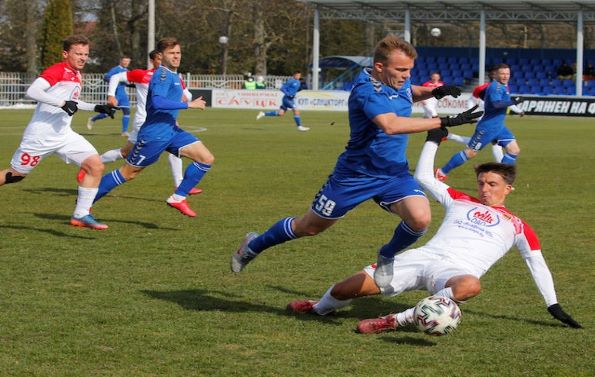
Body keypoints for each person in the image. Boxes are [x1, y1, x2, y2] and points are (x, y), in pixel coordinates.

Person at [231, 35, 481, 290]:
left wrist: (433, 91)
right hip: (355, 175)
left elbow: (408, 91)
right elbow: (391, 125)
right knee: (309, 227)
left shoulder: (395, 81)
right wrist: (444, 122)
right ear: (380, 67)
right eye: (402, 70)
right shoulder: (366, 91)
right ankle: (253, 245)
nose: (407, 75)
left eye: (410, 70)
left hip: (394, 173)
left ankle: (387, 254)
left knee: (420, 218)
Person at [286, 128, 583, 333]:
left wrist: (553, 304)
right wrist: (433, 139)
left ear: (508, 188)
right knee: (343, 290)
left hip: (454, 273)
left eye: (492, 184)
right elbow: (424, 177)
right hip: (421, 258)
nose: (484, 189)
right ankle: (318, 308)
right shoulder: (459, 200)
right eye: (481, 182)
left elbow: (537, 264)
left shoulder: (518, 225)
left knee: (471, 286)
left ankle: (394, 320)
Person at [0, 35, 117, 229]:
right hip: (40, 137)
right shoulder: (58, 70)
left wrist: (97, 107)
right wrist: (62, 104)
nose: (83, 58)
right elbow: (33, 92)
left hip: (64, 135)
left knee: (95, 166)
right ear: (66, 54)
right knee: (16, 175)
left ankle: (81, 215)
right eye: (78, 53)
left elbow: (72, 102)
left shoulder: (77, 75)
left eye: (86, 54)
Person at [92, 37, 212, 218]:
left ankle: (178, 197)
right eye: (171, 53)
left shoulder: (174, 75)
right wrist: (189, 105)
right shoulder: (162, 75)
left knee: (206, 158)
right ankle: (85, 201)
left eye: (178, 52)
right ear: (161, 56)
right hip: (153, 135)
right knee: (127, 173)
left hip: (171, 131)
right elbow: (157, 102)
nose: (176, 56)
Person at [436, 63, 523, 182]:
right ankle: (441, 172)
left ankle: (501, 178)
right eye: (502, 73)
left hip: (499, 127)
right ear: (495, 74)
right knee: (470, 152)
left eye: (507, 74)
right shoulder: (495, 87)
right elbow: (496, 104)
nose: (505, 76)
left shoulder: (502, 87)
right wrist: (513, 102)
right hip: (487, 127)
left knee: (514, 150)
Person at [87, 56, 132, 136]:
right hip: (115, 95)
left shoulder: (127, 71)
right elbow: (106, 77)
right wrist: (114, 80)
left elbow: (128, 82)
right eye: (124, 61)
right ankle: (93, 119)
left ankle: (124, 131)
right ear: (120, 61)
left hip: (123, 95)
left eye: (127, 61)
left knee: (127, 111)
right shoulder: (115, 69)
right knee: (108, 113)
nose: (126, 63)